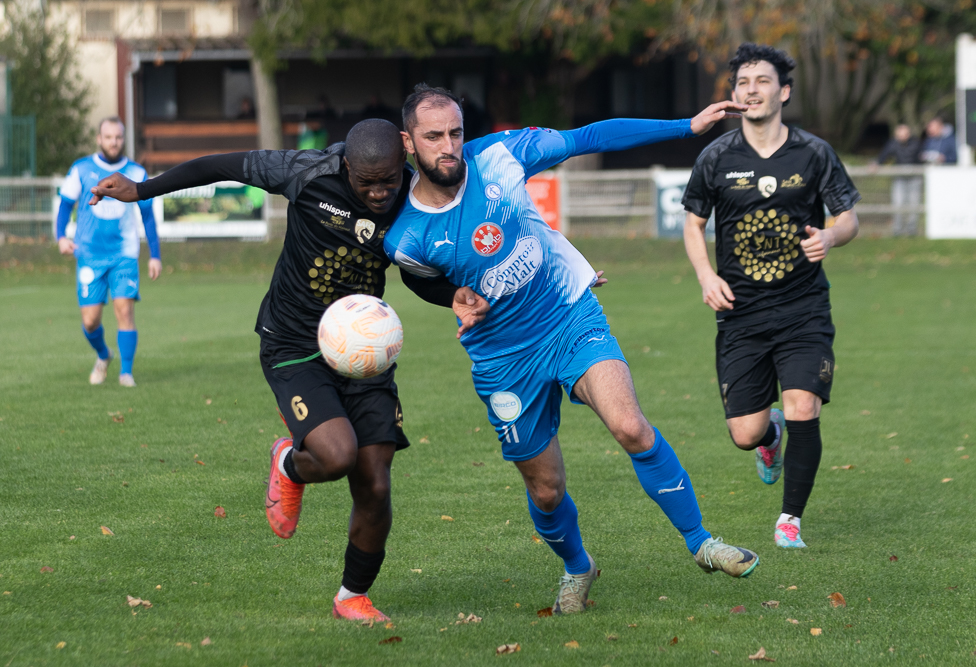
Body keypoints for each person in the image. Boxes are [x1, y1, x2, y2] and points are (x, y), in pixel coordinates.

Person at [383, 84, 760, 615]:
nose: (449, 146)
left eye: (455, 132)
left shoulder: (501, 155)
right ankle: (578, 566)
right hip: (503, 360)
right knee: (546, 490)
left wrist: (685, 127)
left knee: (630, 426)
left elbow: (590, 137)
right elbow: (421, 279)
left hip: (567, 315)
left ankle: (702, 542)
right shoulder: (405, 236)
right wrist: (454, 298)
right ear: (408, 142)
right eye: (433, 137)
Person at [89, 119, 485, 622]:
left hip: (364, 349)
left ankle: (352, 597)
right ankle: (288, 465)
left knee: (375, 482)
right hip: (294, 342)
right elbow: (221, 166)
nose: (379, 193)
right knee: (336, 455)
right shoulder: (306, 171)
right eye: (367, 183)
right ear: (346, 166)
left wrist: (452, 294)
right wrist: (143, 189)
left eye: (388, 180)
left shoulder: (413, 191)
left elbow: (414, 268)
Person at [681, 43, 860, 549]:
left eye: (762, 80)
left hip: (804, 308)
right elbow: (693, 224)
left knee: (803, 403)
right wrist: (706, 276)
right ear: (735, 95)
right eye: (743, 82)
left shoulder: (813, 153)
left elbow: (848, 217)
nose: (751, 89)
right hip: (741, 313)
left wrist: (831, 236)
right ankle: (769, 437)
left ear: (784, 92)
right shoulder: (716, 157)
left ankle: (790, 521)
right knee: (744, 433)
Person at [56, 116, 161, 387]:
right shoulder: (81, 169)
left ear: (123, 139)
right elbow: (65, 204)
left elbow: (148, 215)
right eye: (109, 137)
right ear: (99, 139)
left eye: (118, 137)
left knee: (124, 311)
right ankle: (104, 355)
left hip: (124, 253)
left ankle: (126, 373)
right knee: (90, 322)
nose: (114, 142)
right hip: (89, 254)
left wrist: (155, 255)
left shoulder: (136, 172)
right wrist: (61, 237)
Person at [876, 124, 922, 236]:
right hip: (899, 178)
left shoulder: (916, 143)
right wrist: (876, 164)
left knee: (914, 203)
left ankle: (912, 230)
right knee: (898, 203)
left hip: (914, 178)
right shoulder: (893, 144)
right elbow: (884, 156)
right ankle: (898, 230)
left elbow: (921, 158)